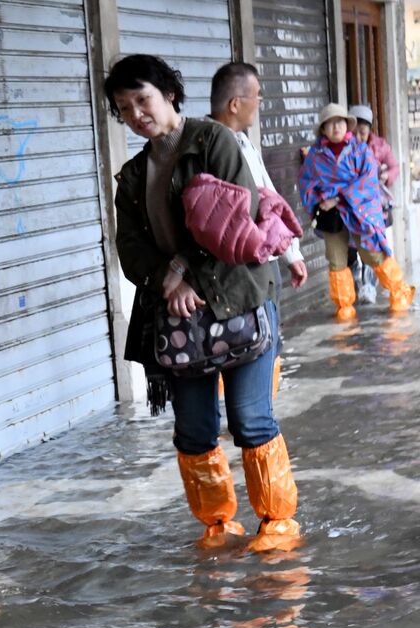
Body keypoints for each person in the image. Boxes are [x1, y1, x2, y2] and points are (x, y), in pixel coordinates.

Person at [107, 54, 301, 553]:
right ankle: (217, 523)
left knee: (250, 418)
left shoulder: (214, 141)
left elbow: (240, 216)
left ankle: (276, 522)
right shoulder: (131, 176)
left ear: (169, 93)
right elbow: (129, 248)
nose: (136, 114)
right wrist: (167, 281)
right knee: (193, 430)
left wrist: (184, 271)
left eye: (142, 99)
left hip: (239, 299)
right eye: (124, 108)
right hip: (180, 318)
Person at [208, 61, 305, 397]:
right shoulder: (211, 147)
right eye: (257, 97)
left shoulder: (243, 142)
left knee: (267, 340)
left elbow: (269, 196)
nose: (260, 104)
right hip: (238, 272)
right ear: (236, 103)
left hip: (263, 262)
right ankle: (244, 411)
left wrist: (291, 252)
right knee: (240, 340)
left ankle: (262, 405)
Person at [299, 104, 413, 319]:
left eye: (340, 122)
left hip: (359, 212)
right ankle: (344, 306)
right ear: (323, 129)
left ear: (347, 125)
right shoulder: (315, 156)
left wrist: (338, 198)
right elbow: (306, 183)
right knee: (336, 260)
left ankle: (400, 291)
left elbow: (368, 182)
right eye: (330, 123)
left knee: (372, 254)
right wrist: (317, 204)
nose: (336, 127)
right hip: (331, 218)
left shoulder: (360, 151)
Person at [347, 104, 398, 305]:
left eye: (363, 132)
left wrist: (386, 175)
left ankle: (369, 286)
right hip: (351, 208)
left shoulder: (380, 146)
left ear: (370, 130)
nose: (359, 136)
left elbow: (394, 166)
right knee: (350, 248)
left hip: (374, 207)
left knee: (373, 245)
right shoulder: (344, 148)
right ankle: (354, 286)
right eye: (355, 132)